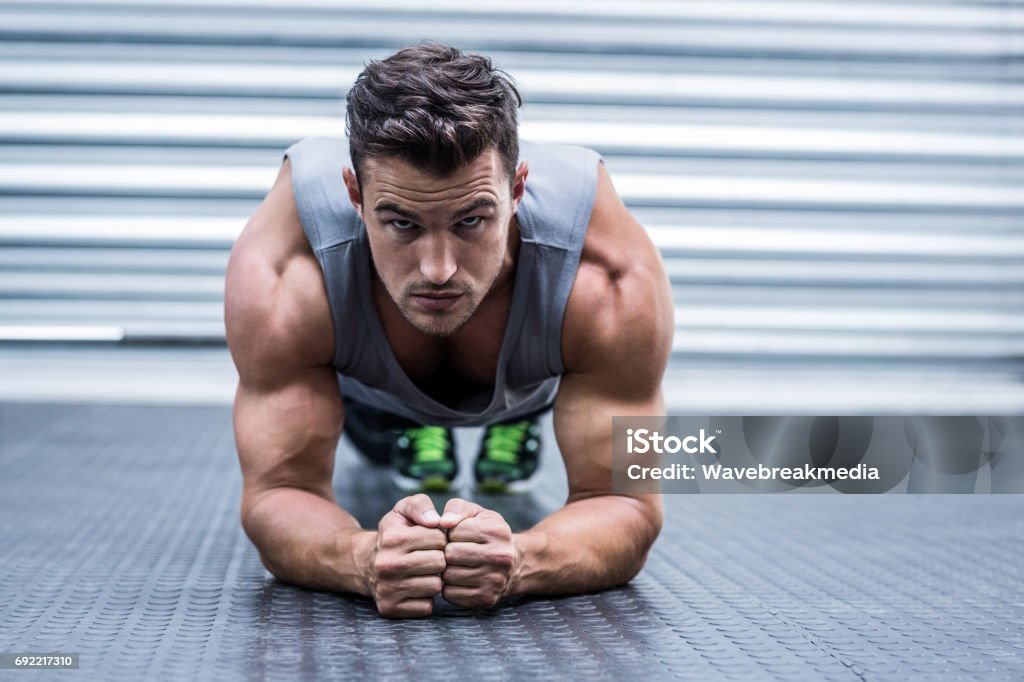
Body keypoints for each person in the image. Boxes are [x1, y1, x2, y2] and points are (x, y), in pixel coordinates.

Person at [224, 42, 673, 617]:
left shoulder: (606, 280)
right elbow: (279, 490)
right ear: (356, 197)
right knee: (388, 430)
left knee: (544, 369)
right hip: (372, 391)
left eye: (471, 220)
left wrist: (523, 557)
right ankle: (409, 425)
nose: (439, 269)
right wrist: (360, 558)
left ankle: (512, 423)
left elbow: (626, 503)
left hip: (533, 377)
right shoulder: (291, 273)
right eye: (402, 224)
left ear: (517, 190)